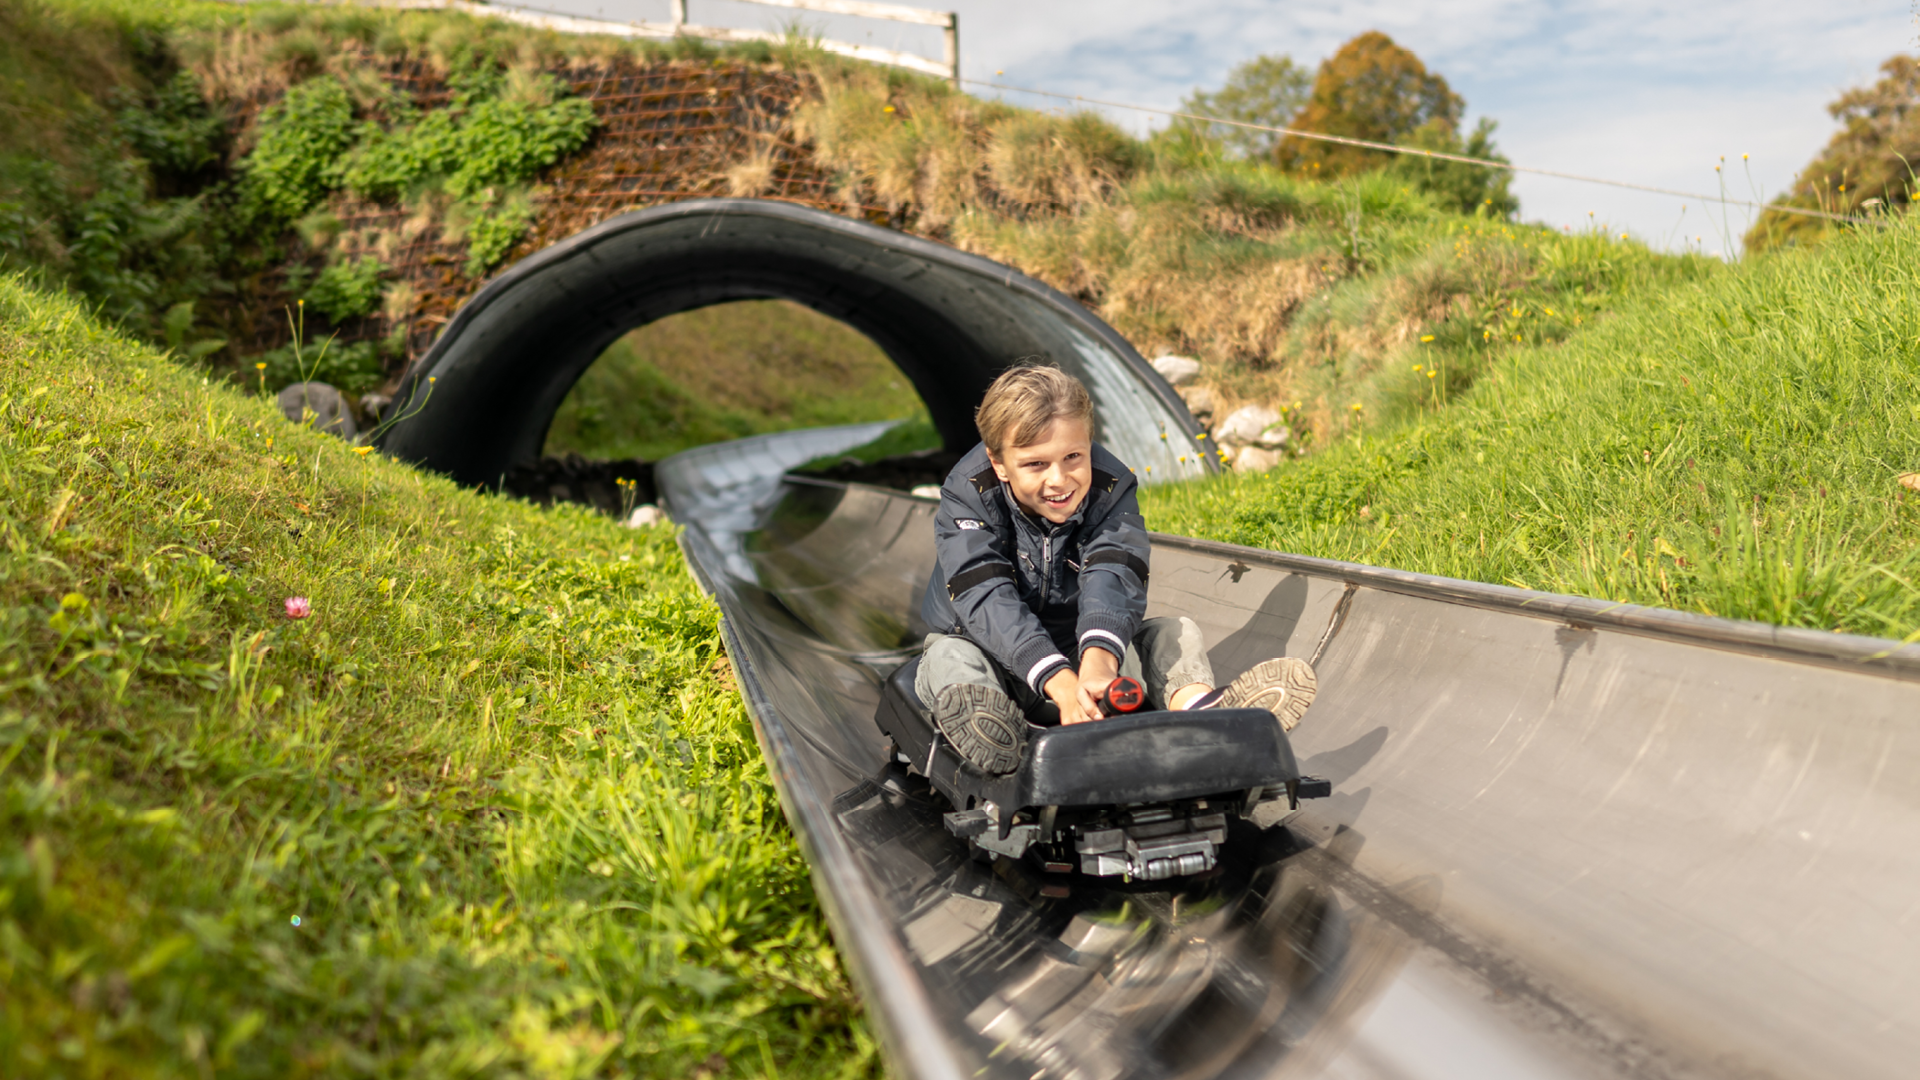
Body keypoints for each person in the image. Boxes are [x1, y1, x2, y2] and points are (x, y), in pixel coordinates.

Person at [916, 363, 1317, 774]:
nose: (1060, 479)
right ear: (999, 464)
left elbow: (1115, 570)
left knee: (1172, 631)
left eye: (1074, 456)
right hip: (992, 654)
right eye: (1036, 465)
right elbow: (984, 593)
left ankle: (1203, 712)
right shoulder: (968, 494)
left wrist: (1099, 661)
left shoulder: (1110, 487)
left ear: (1089, 443)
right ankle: (996, 736)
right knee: (949, 657)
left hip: (1078, 648)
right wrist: (1059, 682)